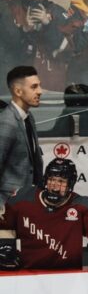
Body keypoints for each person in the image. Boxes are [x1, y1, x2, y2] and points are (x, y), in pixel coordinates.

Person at [0, 158, 88, 270]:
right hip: (28, 275)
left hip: (69, 277)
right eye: (52, 179)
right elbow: (4, 225)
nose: (55, 186)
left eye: (61, 181)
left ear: (71, 184)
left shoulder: (82, 206)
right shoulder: (22, 198)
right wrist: (4, 245)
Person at [6, 0, 68, 92]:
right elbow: (7, 51)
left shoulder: (58, 12)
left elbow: (66, 51)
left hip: (52, 82)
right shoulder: (13, 11)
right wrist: (25, 30)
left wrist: (48, 24)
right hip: (19, 83)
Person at [0, 66, 44, 207]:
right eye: (34, 87)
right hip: (7, 204)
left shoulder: (28, 117)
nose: (40, 91)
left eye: (39, 86)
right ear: (18, 91)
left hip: (27, 201)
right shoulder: (7, 122)